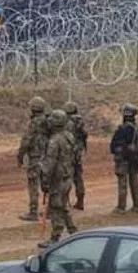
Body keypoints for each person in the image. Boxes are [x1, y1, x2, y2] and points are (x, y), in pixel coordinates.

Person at [39, 110, 78, 247]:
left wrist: (44, 181)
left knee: (56, 207)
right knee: (63, 205)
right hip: (67, 175)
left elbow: (49, 164)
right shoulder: (69, 136)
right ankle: (73, 231)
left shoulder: (55, 141)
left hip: (58, 178)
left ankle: (55, 238)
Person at [16, 97, 49, 221]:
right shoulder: (48, 121)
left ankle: (33, 211)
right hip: (47, 157)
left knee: (33, 184)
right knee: (47, 183)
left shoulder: (33, 123)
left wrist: (20, 156)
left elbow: (26, 140)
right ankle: (50, 210)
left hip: (35, 158)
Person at [109, 104, 138, 213]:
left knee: (122, 183)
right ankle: (137, 205)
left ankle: (121, 207)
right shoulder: (137, 129)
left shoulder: (121, 129)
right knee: (135, 182)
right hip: (133, 159)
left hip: (122, 159)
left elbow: (113, 146)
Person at [64, 101, 87, 210]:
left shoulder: (67, 123)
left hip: (69, 154)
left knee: (66, 177)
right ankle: (80, 201)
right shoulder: (80, 121)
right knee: (78, 178)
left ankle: (65, 202)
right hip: (79, 153)